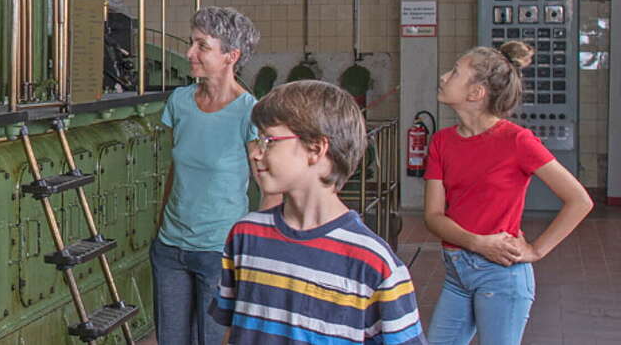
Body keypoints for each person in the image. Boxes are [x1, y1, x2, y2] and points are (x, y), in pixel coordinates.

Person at [209, 80, 425, 344]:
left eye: (269, 140)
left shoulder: (374, 263)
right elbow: (232, 331)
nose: (256, 153)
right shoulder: (245, 236)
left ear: (315, 149)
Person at [423, 41, 592, 345]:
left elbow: (579, 200)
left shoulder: (517, 141)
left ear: (476, 93)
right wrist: (476, 242)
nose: (444, 77)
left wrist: (537, 250)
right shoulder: (441, 142)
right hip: (457, 273)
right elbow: (433, 217)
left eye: (455, 73)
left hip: (500, 276)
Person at [154, 6, 277, 345]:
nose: (189, 53)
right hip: (169, 248)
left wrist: (257, 250)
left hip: (218, 251)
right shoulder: (179, 102)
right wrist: (160, 227)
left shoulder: (250, 112)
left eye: (201, 46)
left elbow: (270, 188)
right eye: (191, 43)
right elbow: (175, 170)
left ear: (230, 56)